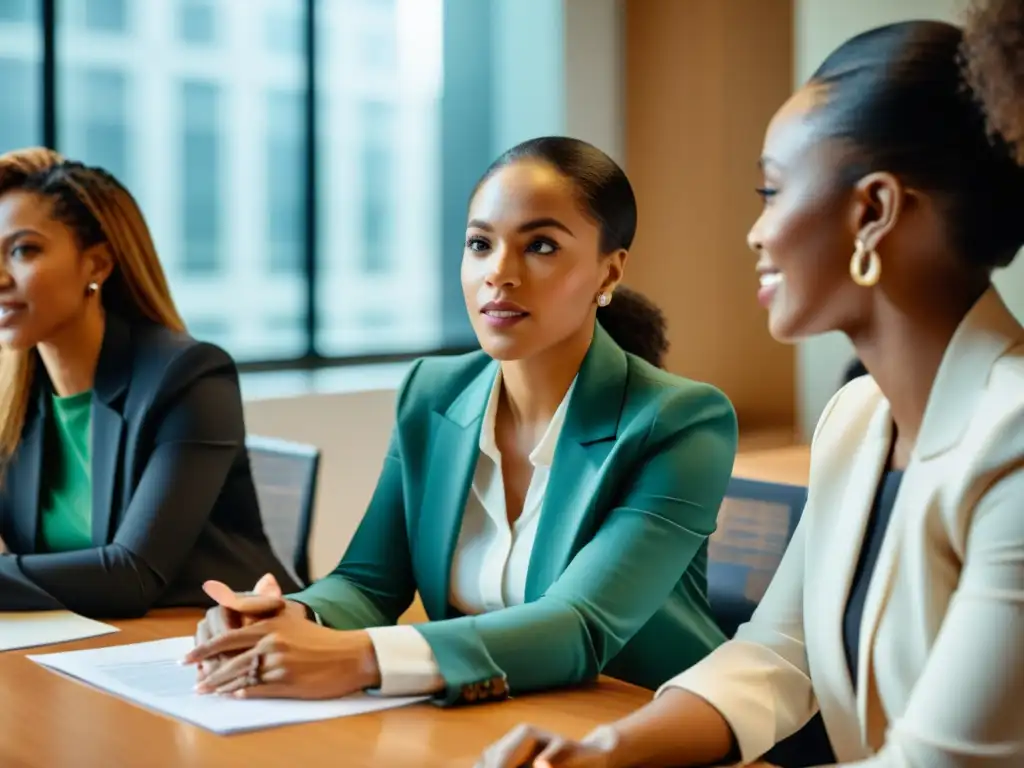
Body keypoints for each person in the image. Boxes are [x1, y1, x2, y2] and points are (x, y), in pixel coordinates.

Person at [478, 10, 1024, 768]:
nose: (755, 232)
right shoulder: (857, 418)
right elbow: (778, 655)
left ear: (873, 212)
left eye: (771, 191)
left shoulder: (1015, 443)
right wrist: (605, 750)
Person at [183, 136, 738, 705]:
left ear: (608, 272)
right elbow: (368, 582)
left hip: (639, 723)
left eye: (541, 245)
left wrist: (361, 658)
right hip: (486, 716)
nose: (499, 273)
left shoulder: (679, 421)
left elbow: (580, 625)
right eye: (480, 243)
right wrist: (287, 617)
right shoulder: (433, 393)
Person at [0, 148, 297, 617]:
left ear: (96, 265)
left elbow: (130, 575)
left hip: (216, 637)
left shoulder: (190, 376)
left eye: (23, 250)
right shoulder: (14, 396)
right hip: (85, 643)